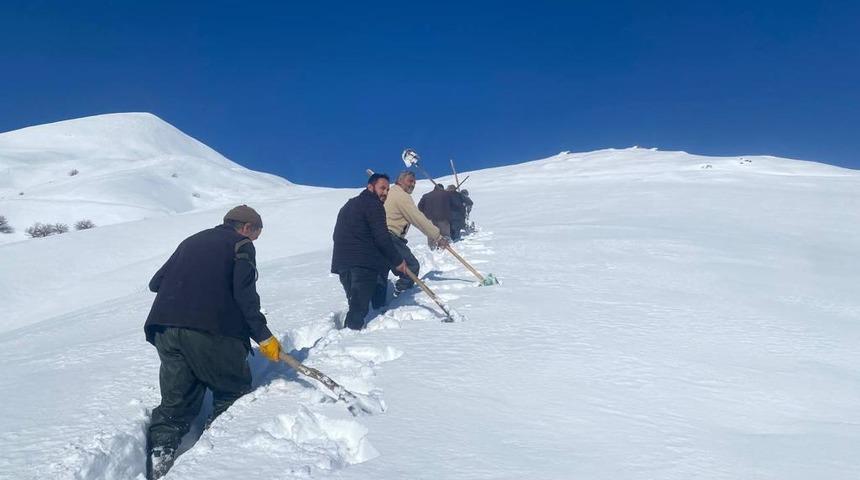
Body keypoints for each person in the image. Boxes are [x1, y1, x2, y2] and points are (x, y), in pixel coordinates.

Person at [143, 205, 282, 479]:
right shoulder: (240, 245)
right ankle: (215, 459)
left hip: (164, 327)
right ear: (245, 228)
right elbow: (244, 296)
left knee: (176, 403)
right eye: (256, 234)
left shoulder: (192, 240)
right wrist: (263, 336)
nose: (255, 240)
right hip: (209, 329)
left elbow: (155, 283)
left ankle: (159, 461)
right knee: (232, 391)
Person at [331, 173, 408, 330]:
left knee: (355, 304)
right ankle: (349, 340)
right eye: (382, 188)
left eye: (387, 189)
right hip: (363, 264)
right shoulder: (374, 205)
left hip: (343, 264)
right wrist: (398, 261)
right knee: (359, 310)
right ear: (370, 187)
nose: (385, 193)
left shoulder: (349, 205)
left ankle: (348, 335)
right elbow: (382, 237)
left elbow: (336, 235)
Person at [385, 171, 450, 295]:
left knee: (382, 271)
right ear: (399, 181)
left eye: (414, 182)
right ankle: (400, 295)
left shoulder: (390, 193)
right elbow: (417, 218)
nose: (413, 184)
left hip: (380, 237)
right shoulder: (401, 195)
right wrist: (437, 236)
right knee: (411, 267)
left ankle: (379, 304)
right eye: (410, 181)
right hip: (391, 237)